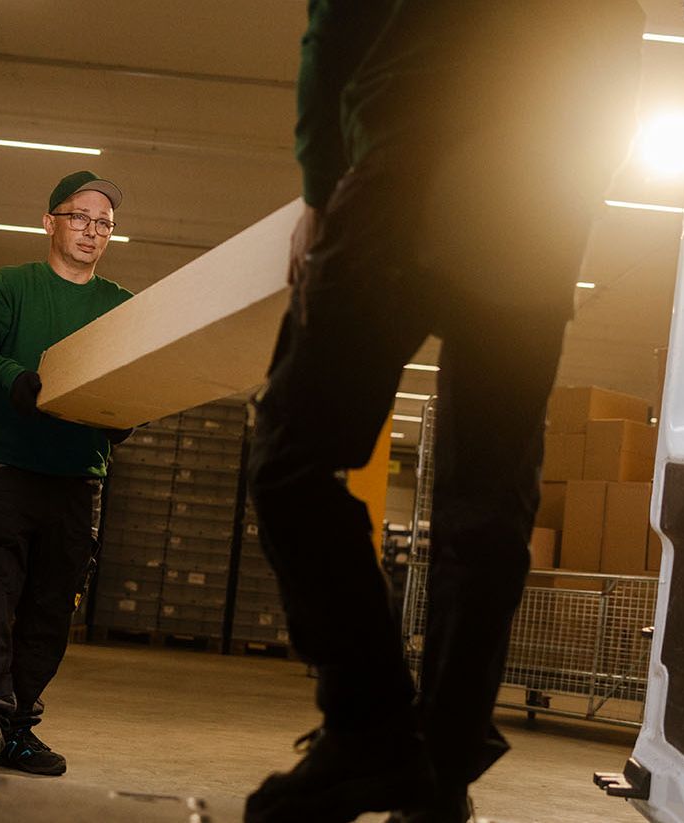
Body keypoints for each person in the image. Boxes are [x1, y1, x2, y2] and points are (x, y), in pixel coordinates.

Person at [244, 2, 643, 821]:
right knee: (488, 506)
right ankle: (439, 779)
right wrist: (572, 200)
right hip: (537, 201)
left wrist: (323, 189)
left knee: (291, 456)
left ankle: (369, 730)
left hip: (409, 164)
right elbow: (617, 52)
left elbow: (336, 29)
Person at [0, 171, 135, 776]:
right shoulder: (10, 287)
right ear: (49, 221)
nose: (91, 230)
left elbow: (134, 379)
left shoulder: (119, 306)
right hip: (7, 470)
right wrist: (14, 379)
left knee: (51, 609)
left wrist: (124, 418)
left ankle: (18, 729)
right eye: (80, 217)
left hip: (79, 478)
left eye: (103, 223)